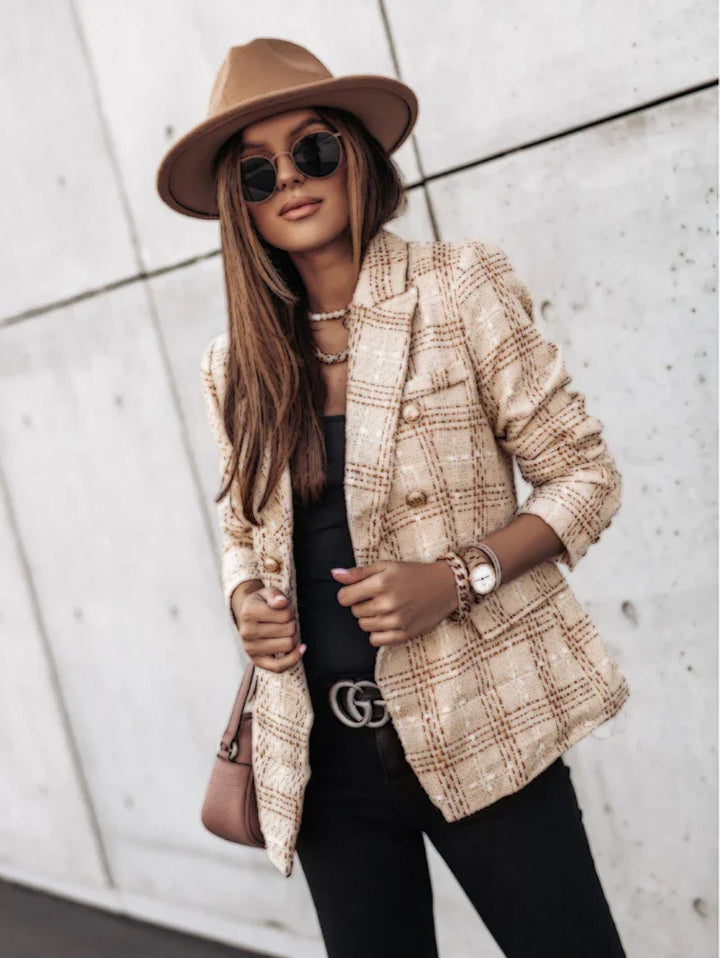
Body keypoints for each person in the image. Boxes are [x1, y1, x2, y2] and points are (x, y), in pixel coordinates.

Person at [156, 38, 630, 958]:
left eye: (314, 149)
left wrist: (458, 576)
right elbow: (241, 531)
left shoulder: (459, 288)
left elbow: (584, 476)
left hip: (478, 721)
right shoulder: (236, 365)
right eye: (256, 173)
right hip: (323, 755)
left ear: (358, 157)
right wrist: (242, 599)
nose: (290, 179)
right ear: (238, 209)